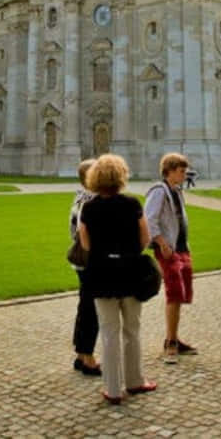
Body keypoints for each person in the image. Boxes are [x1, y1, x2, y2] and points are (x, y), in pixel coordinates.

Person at [78, 154, 156, 404]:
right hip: (130, 272)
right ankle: (135, 381)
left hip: (100, 274)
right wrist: (128, 251)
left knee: (109, 332)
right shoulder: (132, 204)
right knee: (132, 329)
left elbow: (85, 243)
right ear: (121, 177)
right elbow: (145, 239)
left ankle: (112, 389)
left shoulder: (88, 207)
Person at [146, 152, 195, 364]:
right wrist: (161, 243)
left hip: (181, 247)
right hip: (168, 249)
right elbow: (149, 220)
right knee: (174, 293)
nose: (184, 175)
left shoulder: (176, 191)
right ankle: (170, 343)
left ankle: (174, 336)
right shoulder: (159, 191)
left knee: (182, 293)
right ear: (170, 171)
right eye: (181, 171)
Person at [68, 158, 101, 377]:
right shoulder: (91, 202)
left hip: (80, 262)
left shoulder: (79, 197)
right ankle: (88, 358)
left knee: (85, 307)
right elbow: (87, 236)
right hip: (91, 262)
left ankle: (81, 354)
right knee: (93, 310)